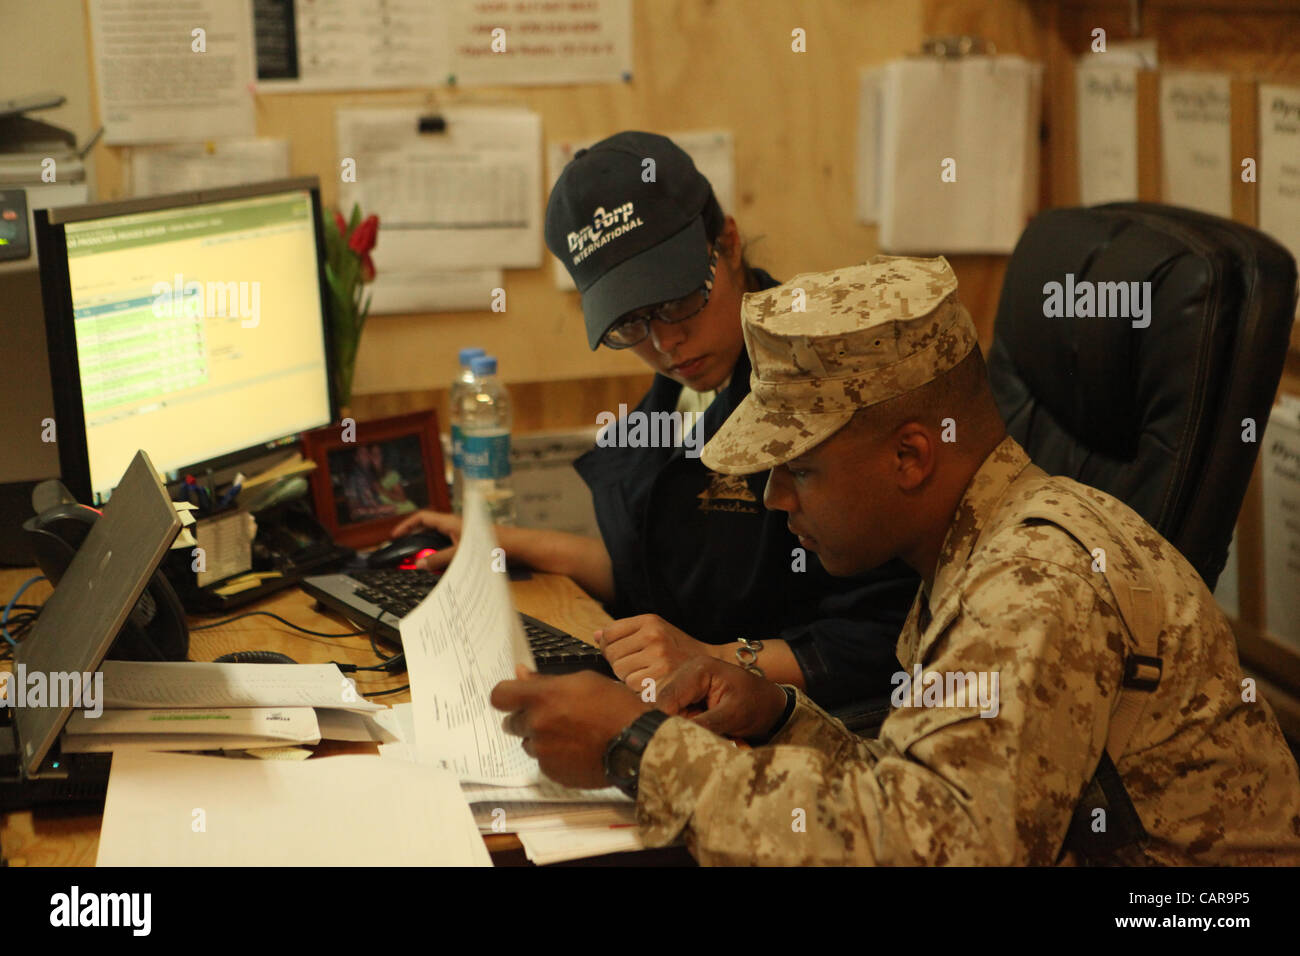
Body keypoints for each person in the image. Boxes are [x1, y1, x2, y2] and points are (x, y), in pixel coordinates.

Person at [490, 256, 1300, 865]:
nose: (774, 499)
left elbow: (930, 850)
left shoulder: (1030, 587)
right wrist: (776, 715)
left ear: (911, 457)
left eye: (797, 469)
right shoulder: (973, 544)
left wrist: (634, 743)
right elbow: (923, 789)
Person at [395, 131, 918, 708]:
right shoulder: (685, 387)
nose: (666, 341)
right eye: (629, 323)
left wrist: (713, 659)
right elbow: (666, 569)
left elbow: (879, 637)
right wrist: (508, 542)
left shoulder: (819, 384)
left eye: (677, 301)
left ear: (729, 244)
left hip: (812, 724)